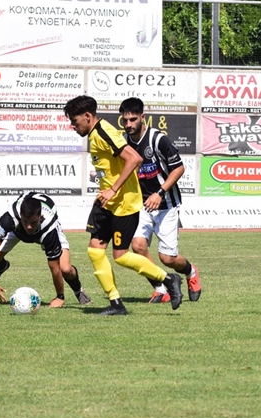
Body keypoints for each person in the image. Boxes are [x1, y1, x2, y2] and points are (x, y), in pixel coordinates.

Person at [63, 95, 183, 316]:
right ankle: (116, 303)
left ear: (87, 116)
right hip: (106, 203)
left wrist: (113, 189)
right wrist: (105, 187)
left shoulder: (103, 132)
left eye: (74, 120)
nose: (72, 125)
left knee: (121, 256)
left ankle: (168, 279)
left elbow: (135, 159)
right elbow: (114, 166)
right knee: (94, 251)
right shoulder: (95, 134)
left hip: (124, 204)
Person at [119, 97, 202, 303]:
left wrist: (160, 193)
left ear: (143, 117)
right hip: (141, 205)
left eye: (133, 119)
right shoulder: (123, 142)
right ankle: (161, 288)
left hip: (166, 204)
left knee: (168, 259)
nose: (129, 124)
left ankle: (190, 272)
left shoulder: (157, 139)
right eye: (125, 120)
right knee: (138, 247)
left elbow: (179, 168)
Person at [0, 192, 92, 308]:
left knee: (65, 269)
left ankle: (78, 291)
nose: (29, 227)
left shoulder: (49, 227)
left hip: (43, 232)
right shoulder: (9, 218)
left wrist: (60, 296)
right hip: (17, 231)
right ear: (20, 215)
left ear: (40, 216)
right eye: (25, 221)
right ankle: (1, 266)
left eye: (33, 222)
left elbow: (54, 267)